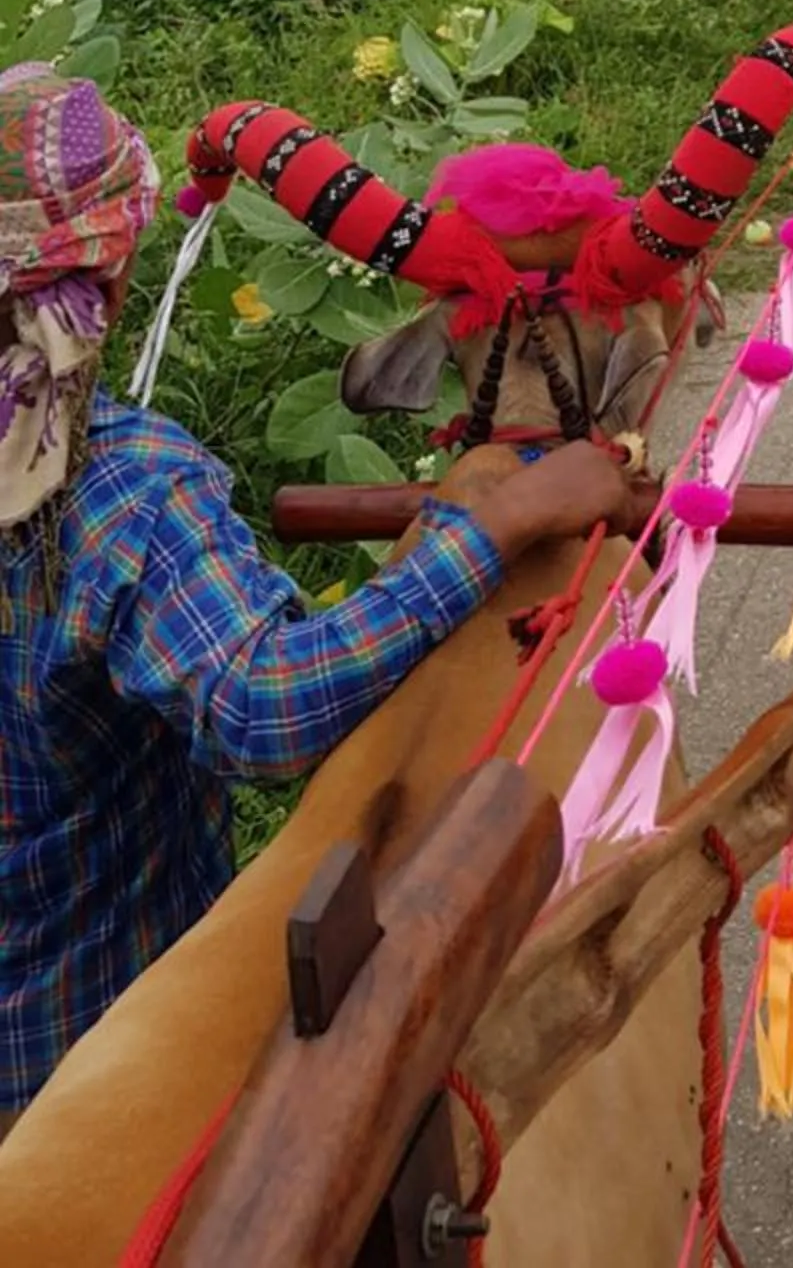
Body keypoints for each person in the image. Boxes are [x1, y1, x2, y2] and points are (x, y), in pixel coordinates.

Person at [0, 64, 628, 1129]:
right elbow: (265, 707)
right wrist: (501, 526)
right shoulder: (122, 490)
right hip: (89, 1056)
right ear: (109, 283)